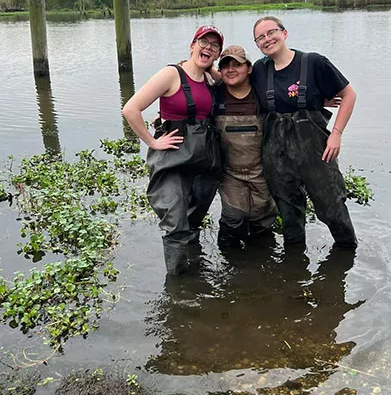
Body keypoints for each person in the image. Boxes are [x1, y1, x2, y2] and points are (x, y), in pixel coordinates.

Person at [122, 24, 224, 275]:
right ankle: (178, 287)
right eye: (203, 42)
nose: (208, 48)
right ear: (192, 46)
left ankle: (195, 267)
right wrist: (152, 142)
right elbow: (130, 109)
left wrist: (211, 67)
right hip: (172, 159)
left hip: (203, 159)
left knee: (194, 218)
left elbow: (231, 82)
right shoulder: (171, 74)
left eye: (214, 46)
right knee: (175, 222)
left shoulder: (210, 80)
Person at [251, 15, 358, 250]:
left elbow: (349, 95)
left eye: (272, 32)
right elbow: (231, 79)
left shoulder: (314, 63)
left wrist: (337, 133)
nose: (267, 39)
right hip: (276, 155)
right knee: (289, 215)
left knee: (332, 207)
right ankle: (294, 264)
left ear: (285, 33)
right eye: (260, 37)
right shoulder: (259, 70)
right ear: (257, 45)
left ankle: (347, 254)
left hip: (316, 152)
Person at [212, 45, 277, 248]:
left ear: (248, 68)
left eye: (236, 64)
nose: (231, 70)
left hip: (262, 172)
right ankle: (229, 260)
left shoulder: (264, 94)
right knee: (234, 218)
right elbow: (188, 106)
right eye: (225, 66)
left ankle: (257, 268)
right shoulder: (214, 96)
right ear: (220, 72)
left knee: (262, 223)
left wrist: (319, 100)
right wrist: (165, 115)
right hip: (230, 173)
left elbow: (291, 102)